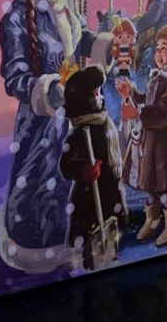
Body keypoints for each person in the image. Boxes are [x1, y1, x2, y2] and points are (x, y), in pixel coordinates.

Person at [0, 0, 114, 273]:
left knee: (81, 171)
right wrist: (49, 89)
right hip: (42, 120)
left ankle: (79, 235)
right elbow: (14, 76)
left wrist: (102, 45)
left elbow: (80, 38)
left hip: (77, 108)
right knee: (42, 178)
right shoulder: (16, 19)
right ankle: (35, 243)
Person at [117, 23, 167, 247]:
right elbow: (147, 100)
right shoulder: (157, 76)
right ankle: (152, 220)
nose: (158, 53)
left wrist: (137, 112)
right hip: (149, 141)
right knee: (149, 184)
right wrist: (131, 93)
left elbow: (163, 111)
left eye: (164, 48)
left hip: (162, 144)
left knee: (162, 187)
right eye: (157, 48)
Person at [59, 65, 127, 270]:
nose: (101, 97)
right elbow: (66, 165)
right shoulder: (81, 132)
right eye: (96, 94)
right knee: (89, 232)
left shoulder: (105, 123)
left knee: (111, 226)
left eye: (100, 92)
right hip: (90, 194)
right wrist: (83, 171)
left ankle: (111, 255)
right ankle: (85, 263)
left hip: (108, 188)